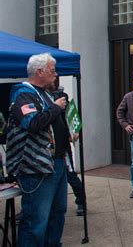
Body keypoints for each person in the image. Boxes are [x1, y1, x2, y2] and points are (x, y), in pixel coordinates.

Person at [6, 53, 68, 246]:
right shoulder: (23, 94)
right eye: (52, 70)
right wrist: (56, 108)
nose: (55, 74)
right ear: (40, 71)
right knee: (36, 220)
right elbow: (32, 122)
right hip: (37, 169)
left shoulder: (45, 94)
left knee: (57, 214)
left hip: (57, 164)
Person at [51, 86, 86, 217]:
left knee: (71, 176)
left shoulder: (64, 107)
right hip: (53, 149)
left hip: (63, 149)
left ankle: (81, 201)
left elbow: (73, 122)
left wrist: (74, 133)